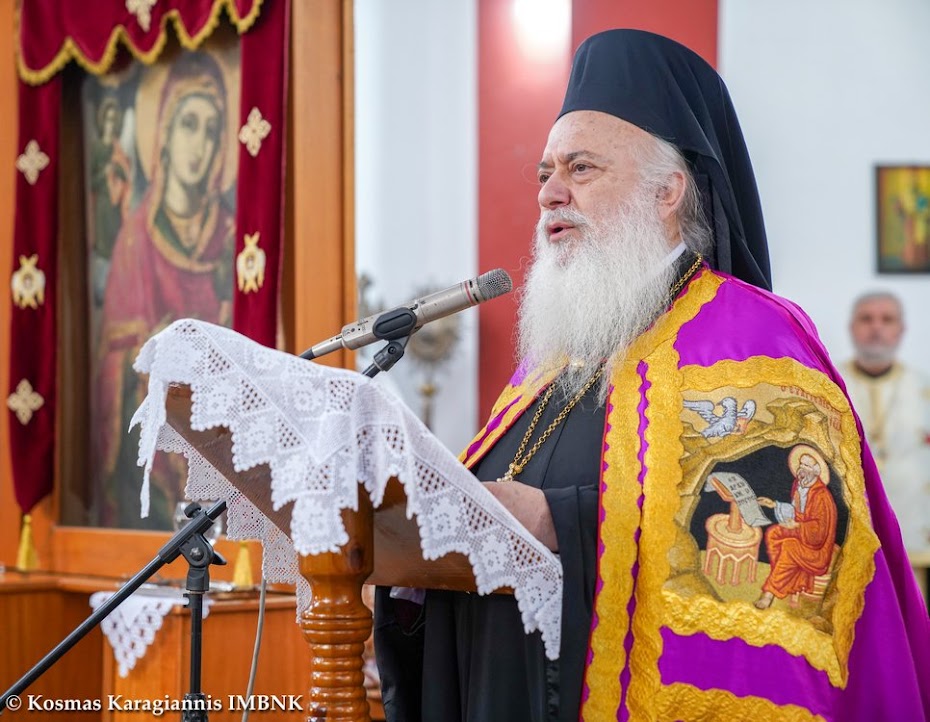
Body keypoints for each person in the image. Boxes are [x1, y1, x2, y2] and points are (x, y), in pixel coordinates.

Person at [374, 29, 930, 721]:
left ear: (667, 191)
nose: (550, 193)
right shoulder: (552, 360)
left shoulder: (756, 339)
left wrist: (558, 520)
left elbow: (790, 550)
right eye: (544, 173)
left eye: (580, 168)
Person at [93, 51, 236, 529]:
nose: (199, 144)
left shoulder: (234, 241)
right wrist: (148, 350)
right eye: (188, 125)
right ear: (165, 136)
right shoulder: (135, 243)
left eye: (212, 130)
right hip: (155, 470)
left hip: (217, 441)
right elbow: (111, 362)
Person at [840, 291, 930, 553]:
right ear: (852, 327)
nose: (876, 327)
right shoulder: (829, 386)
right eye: (866, 319)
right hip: (850, 533)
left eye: (887, 319)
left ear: (901, 330)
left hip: (915, 531)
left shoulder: (924, 389)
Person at [755, 446, 838, 609]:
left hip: (817, 547)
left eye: (807, 466)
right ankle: (789, 581)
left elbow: (820, 531)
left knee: (789, 546)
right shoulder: (800, 485)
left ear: (816, 470)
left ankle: (770, 593)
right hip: (802, 532)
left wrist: (798, 526)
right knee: (773, 533)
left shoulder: (822, 496)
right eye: (801, 464)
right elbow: (796, 511)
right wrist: (774, 505)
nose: (802, 469)